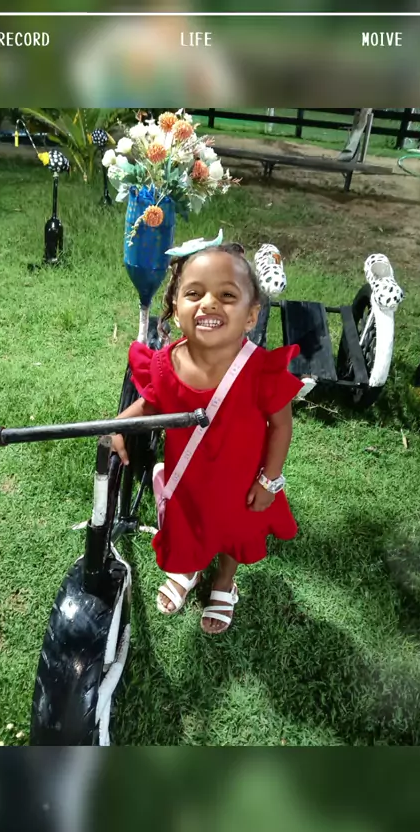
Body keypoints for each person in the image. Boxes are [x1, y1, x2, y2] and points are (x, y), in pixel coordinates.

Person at [111, 242, 303, 635]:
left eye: (227, 295)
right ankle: (190, 569)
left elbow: (281, 426)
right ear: (176, 306)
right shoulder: (166, 363)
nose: (209, 303)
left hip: (242, 482)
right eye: (194, 293)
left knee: (235, 532)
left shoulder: (260, 371)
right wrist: (120, 424)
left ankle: (224, 581)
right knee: (191, 526)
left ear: (251, 316)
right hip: (190, 480)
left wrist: (269, 480)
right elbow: (153, 403)